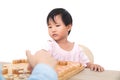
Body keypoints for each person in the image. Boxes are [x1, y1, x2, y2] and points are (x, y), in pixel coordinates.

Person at [39, 8, 104, 72]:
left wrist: (93, 65)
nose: (53, 30)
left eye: (57, 25)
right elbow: (41, 57)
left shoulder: (77, 49)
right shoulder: (50, 45)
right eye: (50, 27)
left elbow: (87, 64)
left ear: (68, 27)